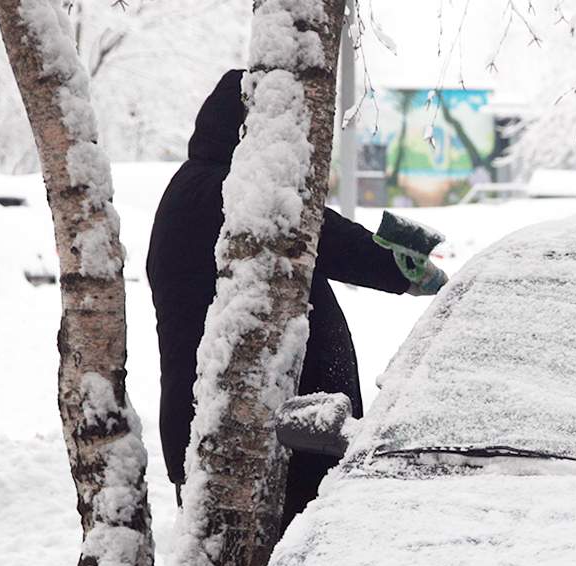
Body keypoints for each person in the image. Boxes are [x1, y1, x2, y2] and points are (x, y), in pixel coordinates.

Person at [148, 69, 444, 527]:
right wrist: (402, 268)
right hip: (250, 438)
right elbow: (316, 233)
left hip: (248, 429)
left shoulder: (197, 188)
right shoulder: (223, 192)